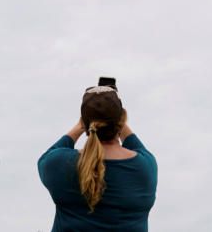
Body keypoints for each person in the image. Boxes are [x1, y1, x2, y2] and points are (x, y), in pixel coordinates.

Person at [38, 85, 158, 231]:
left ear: (85, 123)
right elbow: (138, 148)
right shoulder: (145, 167)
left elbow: (48, 156)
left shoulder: (60, 164)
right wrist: (121, 122)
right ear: (121, 120)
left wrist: (79, 127)